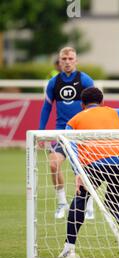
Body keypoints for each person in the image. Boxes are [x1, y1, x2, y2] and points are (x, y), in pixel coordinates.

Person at [58, 87, 119, 258]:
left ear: (82, 104)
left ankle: (69, 249)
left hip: (95, 163)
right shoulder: (114, 112)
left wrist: (78, 172)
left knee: (80, 199)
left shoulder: (74, 120)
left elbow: (70, 147)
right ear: (102, 102)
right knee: (115, 203)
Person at [39, 47, 95, 220]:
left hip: (81, 133)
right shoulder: (53, 83)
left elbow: (94, 107)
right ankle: (62, 203)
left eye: (71, 58)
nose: (67, 61)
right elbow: (47, 107)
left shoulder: (85, 80)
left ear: (76, 61)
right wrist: (41, 132)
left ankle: (89, 205)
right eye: (64, 58)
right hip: (61, 133)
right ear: (59, 61)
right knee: (54, 164)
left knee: (83, 169)